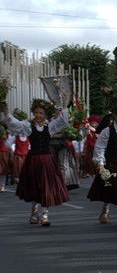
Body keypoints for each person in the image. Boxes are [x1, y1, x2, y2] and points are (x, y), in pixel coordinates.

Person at [4, 97, 70, 226]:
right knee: (35, 186)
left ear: (45, 115)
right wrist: (6, 111)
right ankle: (34, 212)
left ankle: (45, 215)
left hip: (46, 160)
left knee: (46, 187)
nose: (38, 115)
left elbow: (63, 121)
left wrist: (65, 103)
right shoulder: (28, 126)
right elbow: (14, 124)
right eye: (36, 112)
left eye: (41, 113)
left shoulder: (49, 126)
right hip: (33, 159)